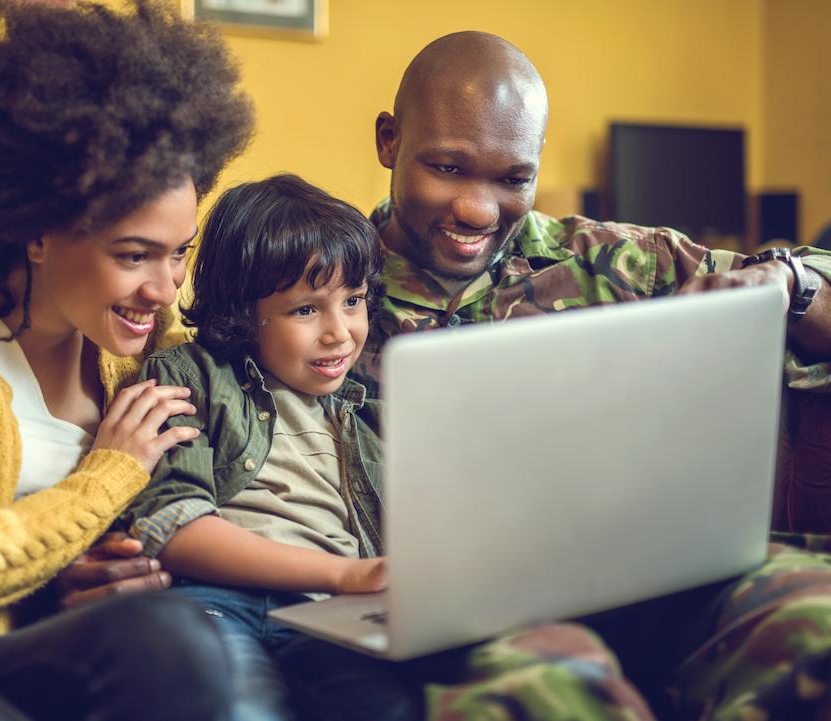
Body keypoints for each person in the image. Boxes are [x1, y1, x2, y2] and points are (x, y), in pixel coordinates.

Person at [345, 30, 831, 721]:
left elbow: (805, 292)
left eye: (512, 178)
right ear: (389, 141)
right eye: (448, 168)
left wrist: (790, 281)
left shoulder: (614, 261)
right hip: (482, 616)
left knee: (816, 619)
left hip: (674, 575)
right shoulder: (317, 289)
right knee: (546, 694)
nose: (478, 210)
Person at [0, 2, 253, 720]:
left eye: (180, 253)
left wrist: (72, 585)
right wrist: (107, 478)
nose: (163, 288)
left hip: (4, 651)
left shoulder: (136, 346)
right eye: (132, 255)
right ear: (35, 230)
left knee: (167, 636)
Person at [115, 174, 421, 721]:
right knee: (237, 706)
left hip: (332, 617)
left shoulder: (367, 411)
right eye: (306, 310)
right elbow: (171, 526)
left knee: (389, 707)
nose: (340, 332)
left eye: (353, 301)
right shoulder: (188, 376)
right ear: (241, 310)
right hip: (216, 602)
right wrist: (344, 575)